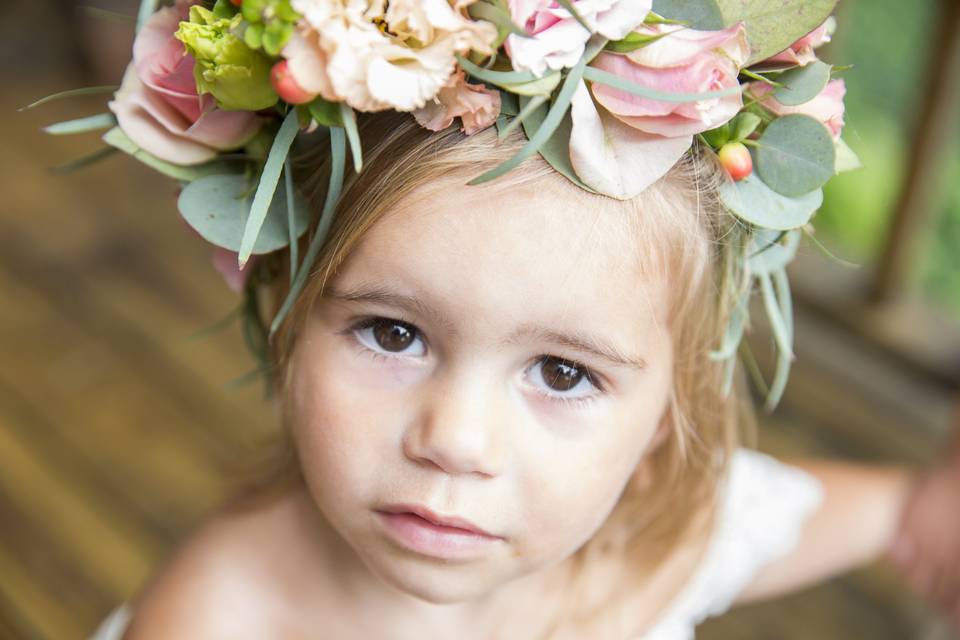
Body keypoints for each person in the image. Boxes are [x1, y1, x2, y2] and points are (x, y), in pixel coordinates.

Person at [32, 1, 949, 638]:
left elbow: (768, 525)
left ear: (669, 412)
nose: (456, 441)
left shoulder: (645, 545)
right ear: (287, 312)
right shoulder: (220, 620)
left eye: (563, 372)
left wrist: (914, 510)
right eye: (393, 333)